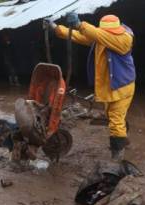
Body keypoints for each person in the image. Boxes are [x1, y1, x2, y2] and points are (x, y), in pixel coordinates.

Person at [45, 13, 136, 161]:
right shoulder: (101, 38)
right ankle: (123, 140)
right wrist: (55, 28)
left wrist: (80, 25)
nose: (104, 34)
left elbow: (93, 33)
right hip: (110, 86)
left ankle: (117, 158)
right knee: (112, 117)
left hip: (123, 86)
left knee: (115, 120)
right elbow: (76, 35)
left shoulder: (124, 39)